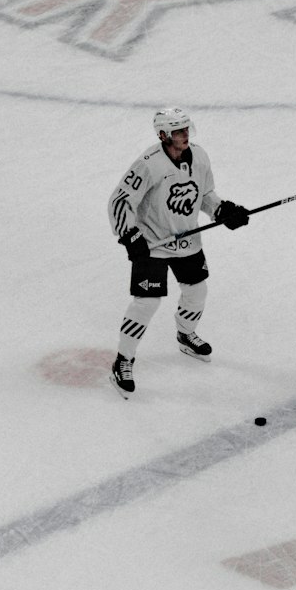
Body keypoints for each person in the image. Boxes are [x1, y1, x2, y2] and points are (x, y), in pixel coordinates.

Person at [108, 108, 249, 398]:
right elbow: (119, 202)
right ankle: (123, 360)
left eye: (187, 129)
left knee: (197, 292)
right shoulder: (149, 165)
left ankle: (185, 334)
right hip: (152, 244)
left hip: (187, 240)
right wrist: (129, 235)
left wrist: (222, 210)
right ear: (163, 135)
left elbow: (205, 195)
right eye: (178, 131)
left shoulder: (200, 157)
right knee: (146, 304)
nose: (185, 135)